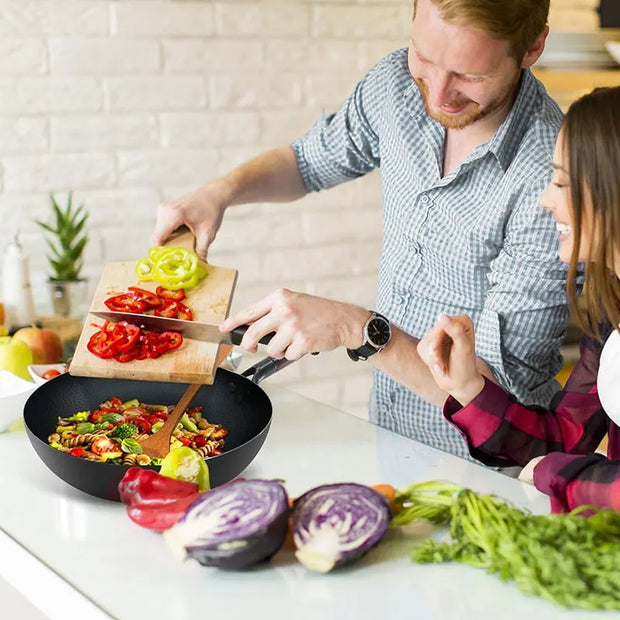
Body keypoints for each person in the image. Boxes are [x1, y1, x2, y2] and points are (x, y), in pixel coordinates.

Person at [154, 0, 569, 459]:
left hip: (494, 468)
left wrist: (358, 328)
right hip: (390, 431)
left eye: (471, 76)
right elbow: (310, 162)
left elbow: (499, 406)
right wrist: (221, 191)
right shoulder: (395, 83)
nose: (437, 93)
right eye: (425, 57)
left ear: (533, 48)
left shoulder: (553, 177)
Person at [417, 86, 620, 511]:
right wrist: (470, 386)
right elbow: (566, 435)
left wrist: (562, 476)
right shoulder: (610, 311)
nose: (546, 199)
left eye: (561, 181)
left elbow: (561, 463)